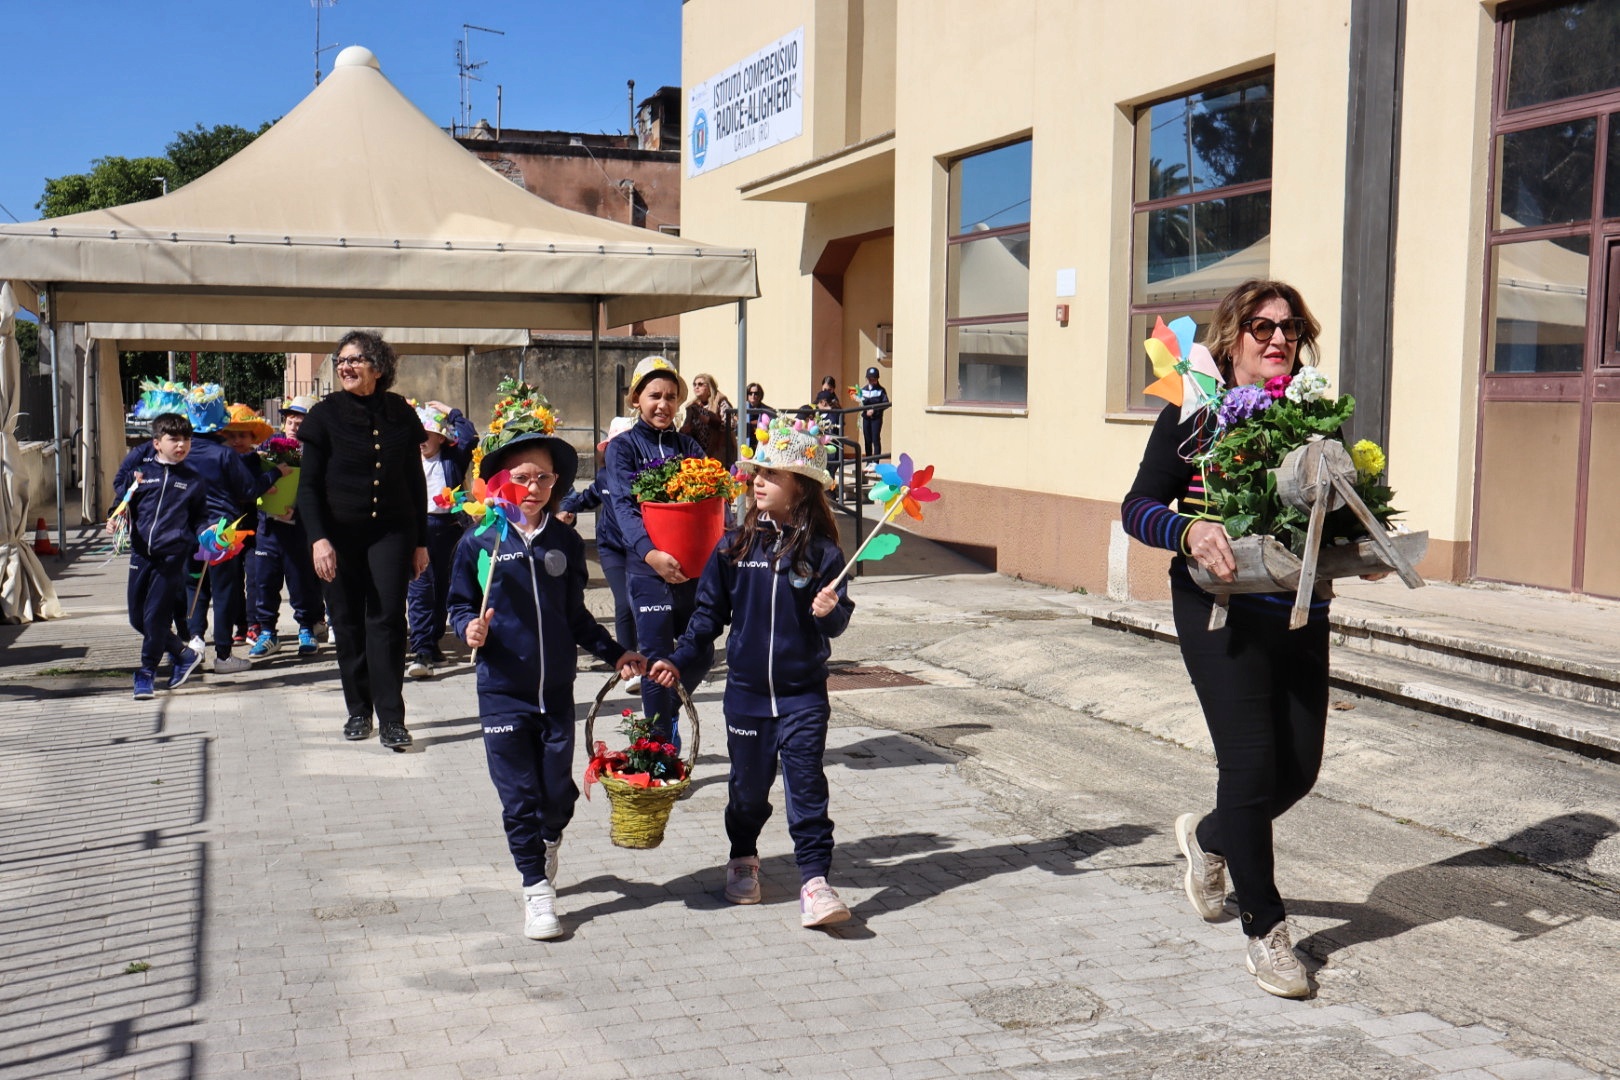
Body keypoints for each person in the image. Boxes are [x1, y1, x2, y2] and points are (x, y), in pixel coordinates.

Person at [1120, 278, 1332, 999]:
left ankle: (1212, 839)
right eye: (1262, 327)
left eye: (1290, 328)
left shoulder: (1312, 413)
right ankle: (1266, 932)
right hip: (1219, 614)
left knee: (1297, 771)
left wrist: (1352, 547)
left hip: (1298, 609)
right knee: (1249, 768)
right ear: (1232, 336)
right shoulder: (1195, 412)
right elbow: (1137, 506)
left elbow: (1334, 505)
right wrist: (1189, 528)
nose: (1279, 339)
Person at [449, 395, 646, 940]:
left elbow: (576, 616)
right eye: (522, 476)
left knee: (556, 795)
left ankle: (550, 837)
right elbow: (460, 603)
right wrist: (468, 627)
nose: (533, 487)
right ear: (499, 482)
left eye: (544, 477)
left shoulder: (562, 540)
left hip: (557, 692)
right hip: (502, 691)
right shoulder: (479, 540)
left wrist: (616, 653)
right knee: (517, 797)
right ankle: (536, 889)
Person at [650, 414, 855, 929]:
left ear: (801, 488)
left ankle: (814, 881)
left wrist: (831, 611)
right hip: (745, 695)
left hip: (803, 694)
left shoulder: (825, 553)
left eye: (772, 474)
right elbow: (705, 620)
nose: (757, 480)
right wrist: (677, 662)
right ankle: (743, 856)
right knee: (747, 791)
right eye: (756, 472)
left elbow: (837, 626)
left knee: (807, 786)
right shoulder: (734, 547)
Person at [297, 331, 429, 751]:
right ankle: (359, 709)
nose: (344, 366)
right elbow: (308, 487)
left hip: (391, 531)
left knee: (388, 620)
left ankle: (392, 718)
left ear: (378, 366)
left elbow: (414, 482)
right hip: (337, 536)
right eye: (340, 360)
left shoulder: (399, 413)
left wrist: (420, 541)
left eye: (354, 359)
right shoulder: (324, 415)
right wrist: (318, 539)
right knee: (347, 620)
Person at [602, 356, 714, 741]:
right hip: (647, 570)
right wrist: (651, 554)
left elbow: (709, 508)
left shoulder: (690, 448)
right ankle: (658, 749)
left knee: (701, 652)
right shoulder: (622, 448)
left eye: (670, 397)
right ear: (636, 399)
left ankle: (664, 716)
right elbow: (623, 508)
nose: (663, 404)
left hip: (690, 570)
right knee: (654, 660)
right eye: (654, 396)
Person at [112, 412, 208, 700]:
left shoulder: (193, 480)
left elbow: (200, 518)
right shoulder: (141, 475)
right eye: (174, 439)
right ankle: (183, 652)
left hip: (171, 558)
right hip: (141, 555)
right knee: (137, 618)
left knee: (155, 618)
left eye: (187, 440)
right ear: (156, 443)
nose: (181, 445)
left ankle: (146, 673)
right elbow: (123, 504)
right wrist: (114, 518)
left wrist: (209, 531)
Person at [180, 384, 261, 673]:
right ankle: (224, 655)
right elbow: (249, 490)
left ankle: (196, 640)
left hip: (189, 530)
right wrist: (277, 473)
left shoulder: (183, 451)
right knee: (224, 590)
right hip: (222, 532)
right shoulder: (225, 455)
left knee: (194, 585)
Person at [406, 399, 478, 679]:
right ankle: (421, 648)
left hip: (448, 527)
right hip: (417, 527)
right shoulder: (407, 459)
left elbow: (470, 435)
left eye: (427, 435)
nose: (422, 441)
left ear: (440, 437)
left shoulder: (452, 457)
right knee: (420, 588)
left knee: (444, 589)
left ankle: (433, 641)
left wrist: (451, 411)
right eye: (418, 436)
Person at [249, 396, 323, 658]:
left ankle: (306, 629)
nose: (293, 425)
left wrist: (299, 511)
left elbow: (319, 490)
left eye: (299, 421)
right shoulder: (269, 446)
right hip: (268, 527)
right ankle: (267, 632)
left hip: (297, 529)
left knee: (300, 581)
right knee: (265, 582)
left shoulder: (317, 452)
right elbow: (253, 479)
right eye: (290, 420)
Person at [558, 415, 638, 655]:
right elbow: (587, 497)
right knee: (624, 604)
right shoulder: (604, 477)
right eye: (616, 446)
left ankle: (650, 651)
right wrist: (567, 510)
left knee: (643, 604)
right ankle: (628, 660)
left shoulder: (648, 479)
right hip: (612, 548)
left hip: (642, 549)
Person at [222, 404, 283, 653]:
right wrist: (260, 487)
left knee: (257, 578)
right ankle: (240, 624)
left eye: (243, 435)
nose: (238, 440)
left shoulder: (258, 461)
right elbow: (244, 490)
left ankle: (255, 623)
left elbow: (257, 489)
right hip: (228, 529)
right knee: (232, 579)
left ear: (252, 437)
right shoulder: (222, 460)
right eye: (233, 435)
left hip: (255, 526)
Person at [679, 373, 739, 466]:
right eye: (694, 384)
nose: (696, 387)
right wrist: (685, 430)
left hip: (719, 450)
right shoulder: (692, 406)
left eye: (700, 384)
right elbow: (686, 427)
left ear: (709, 387)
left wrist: (710, 421)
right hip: (698, 452)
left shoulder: (720, 401)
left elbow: (730, 424)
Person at [857, 366, 889, 463]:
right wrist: (864, 409)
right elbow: (861, 403)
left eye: (874, 379)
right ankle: (868, 461)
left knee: (876, 439)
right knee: (867, 440)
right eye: (870, 379)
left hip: (876, 418)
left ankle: (875, 462)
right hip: (866, 418)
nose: (871, 381)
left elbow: (885, 403)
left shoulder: (881, 390)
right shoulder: (863, 390)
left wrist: (874, 410)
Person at [743, 382, 775, 450]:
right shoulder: (742, 409)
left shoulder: (768, 410)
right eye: (750, 393)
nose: (753, 395)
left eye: (756, 393)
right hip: (746, 444)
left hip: (763, 445)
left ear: (760, 395)